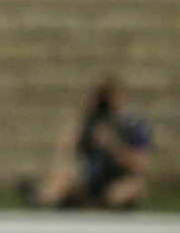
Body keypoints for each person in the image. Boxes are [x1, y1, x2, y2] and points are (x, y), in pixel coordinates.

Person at [27, 77, 152, 209]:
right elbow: (65, 152)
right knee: (63, 178)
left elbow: (141, 164)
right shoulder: (90, 123)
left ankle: (96, 204)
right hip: (91, 178)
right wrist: (82, 126)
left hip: (117, 178)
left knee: (129, 189)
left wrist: (113, 145)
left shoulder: (132, 125)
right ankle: (45, 197)